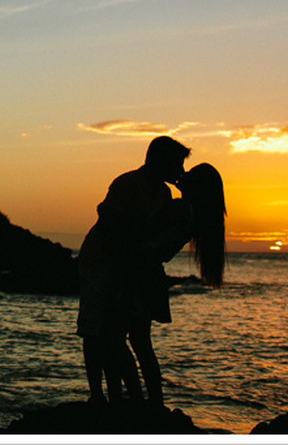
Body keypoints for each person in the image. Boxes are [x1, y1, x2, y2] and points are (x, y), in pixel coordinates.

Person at [75, 136, 191, 404]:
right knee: (94, 329)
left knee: (114, 332)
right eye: (177, 164)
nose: (180, 172)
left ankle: (119, 396)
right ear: (160, 161)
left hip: (127, 264)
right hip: (99, 259)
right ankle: (97, 394)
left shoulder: (164, 194)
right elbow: (109, 224)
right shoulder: (126, 183)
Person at [124, 162, 227, 405]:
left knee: (119, 340)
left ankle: (137, 401)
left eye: (190, 174)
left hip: (141, 271)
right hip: (151, 276)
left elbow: (146, 229)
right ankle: (152, 403)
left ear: (197, 186)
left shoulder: (181, 207)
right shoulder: (195, 214)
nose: (184, 174)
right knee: (140, 343)